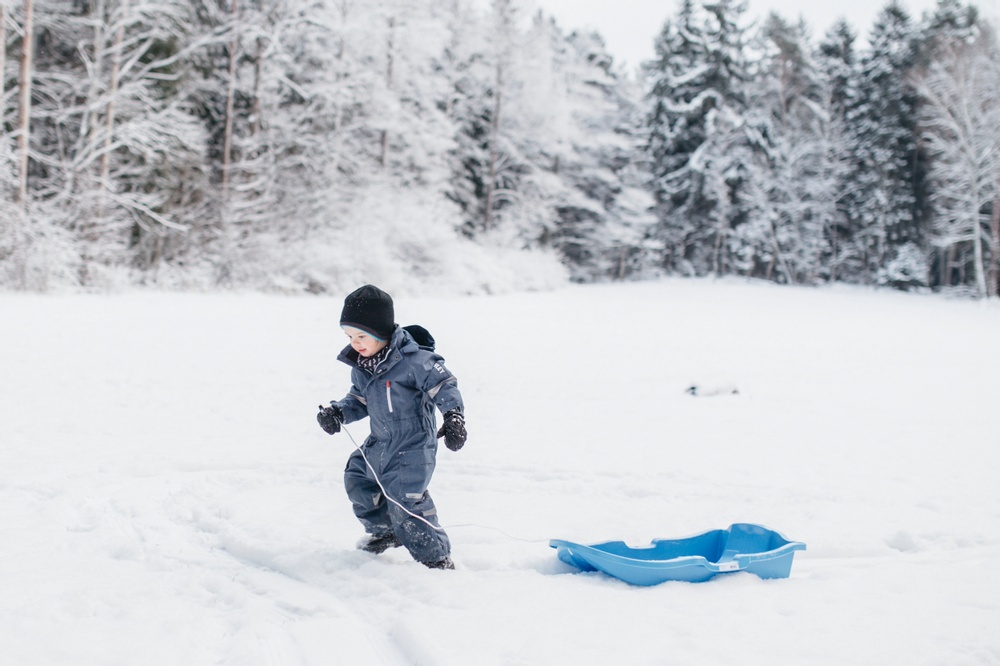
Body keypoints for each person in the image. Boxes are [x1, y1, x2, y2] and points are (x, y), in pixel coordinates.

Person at [317, 284, 467, 570]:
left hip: (412, 447)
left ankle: (436, 559)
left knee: (407, 503)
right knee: (358, 479)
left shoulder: (416, 361)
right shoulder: (363, 365)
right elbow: (359, 399)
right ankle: (384, 532)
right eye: (349, 336)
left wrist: (453, 417)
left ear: (382, 332)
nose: (355, 343)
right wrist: (338, 412)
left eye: (362, 336)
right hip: (379, 442)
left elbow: (444, 385)